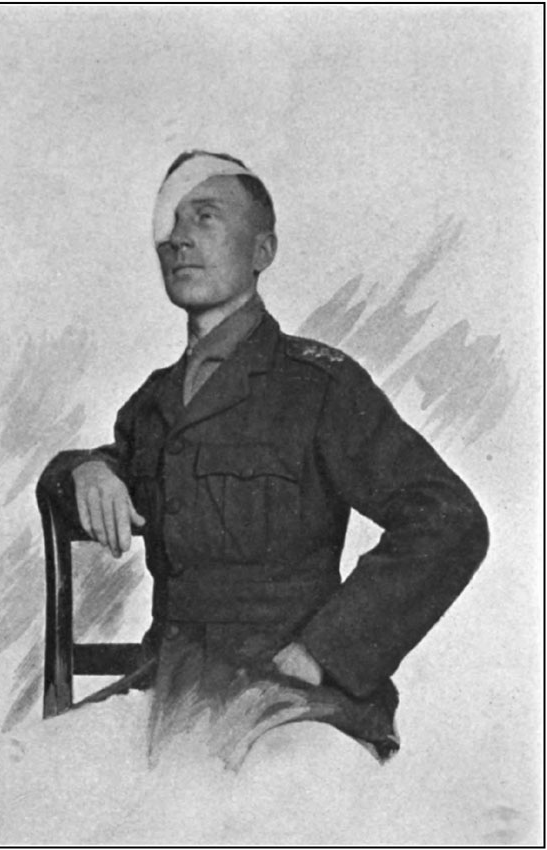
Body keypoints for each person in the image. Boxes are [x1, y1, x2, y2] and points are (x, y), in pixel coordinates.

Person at [42, 150, 489, 768]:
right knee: (29, 776)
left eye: (205, 217)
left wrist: (323, 654)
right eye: (170, 224)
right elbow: (115, 462)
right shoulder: (154, 401)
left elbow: (451, 520)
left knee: (273, 803)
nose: (178, 239)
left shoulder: (319, 386)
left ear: (262, 251)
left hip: (295, 701)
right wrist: (84, 468)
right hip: (168, 693)